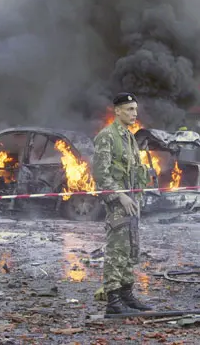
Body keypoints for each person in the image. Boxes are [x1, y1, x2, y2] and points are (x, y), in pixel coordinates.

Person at [92, 92, 153, 314]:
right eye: (129, 109)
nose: (134, 114)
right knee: (117, 251)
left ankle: (127, 297)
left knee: (130, 250)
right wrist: (121, 195)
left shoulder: (129, 137)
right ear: (117, 110)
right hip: (119, 203)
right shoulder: (107, 136)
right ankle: (113, 302)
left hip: (132, 202)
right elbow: (100, 173)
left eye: (135, 110)